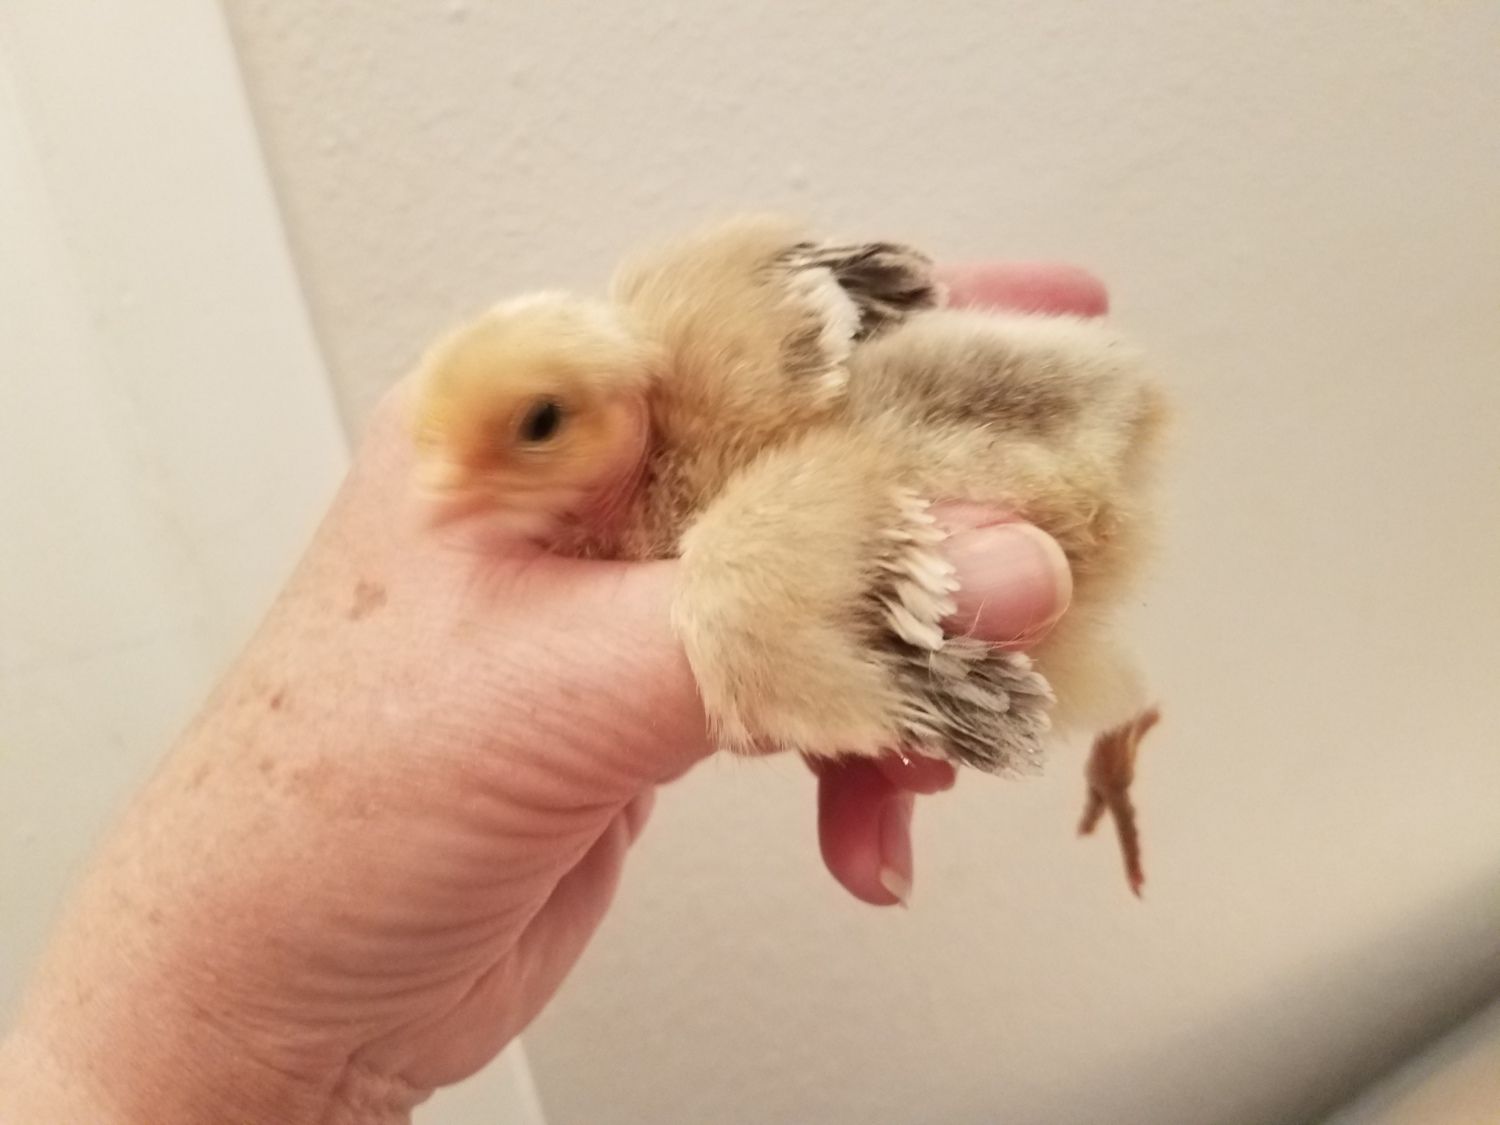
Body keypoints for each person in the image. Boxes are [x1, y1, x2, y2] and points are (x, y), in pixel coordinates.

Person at [0, 264, 1105, 1124]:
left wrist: (198, 1073)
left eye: (534, 431)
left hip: (1022, 493)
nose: (444, 496)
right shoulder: (709, 504)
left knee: (761, 599)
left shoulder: (739, 572)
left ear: (624, 401)